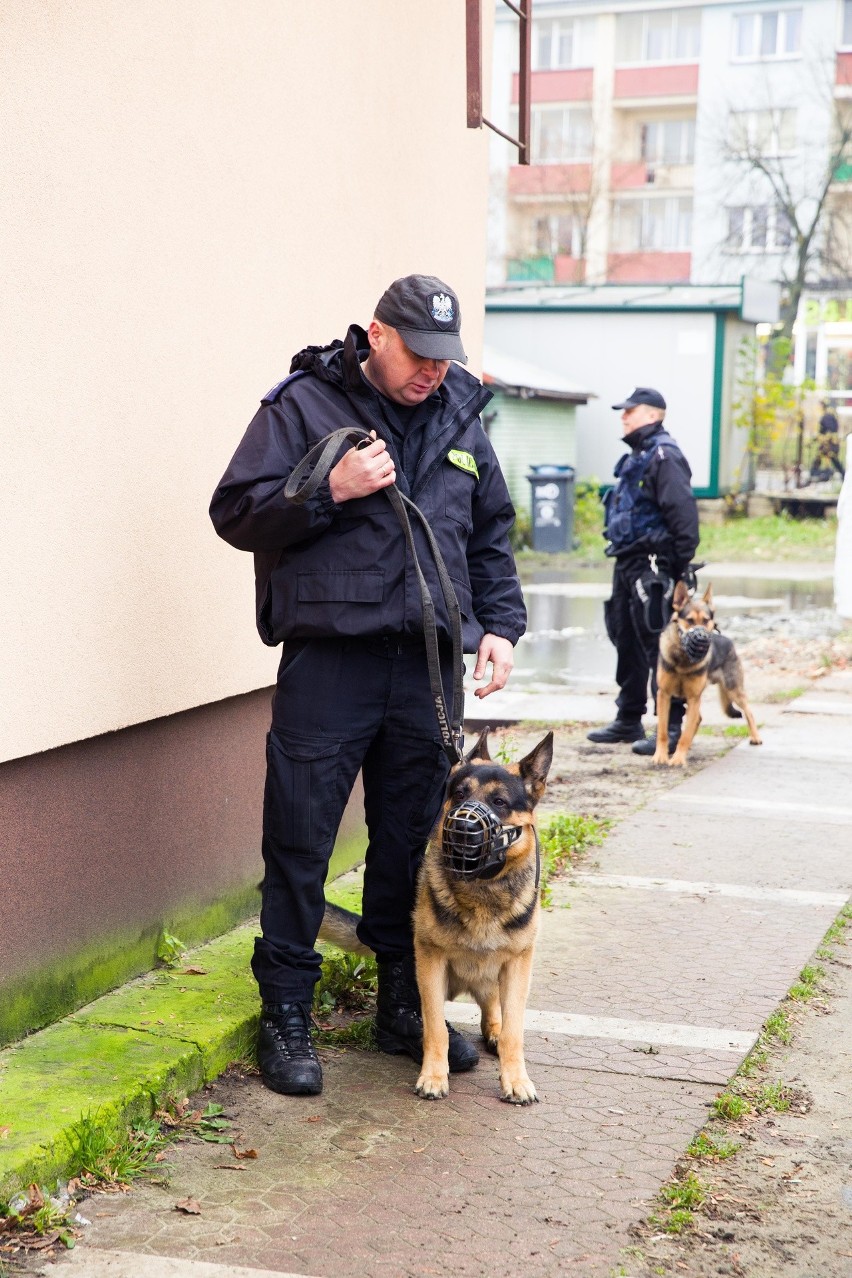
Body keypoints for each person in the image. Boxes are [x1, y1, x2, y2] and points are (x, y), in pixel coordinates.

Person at [210, 274, 526, 1096]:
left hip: (427, 666)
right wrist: (329, 490)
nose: (432, 371)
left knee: (410, 840)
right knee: (300, 838)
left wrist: (500, 626)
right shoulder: (305, 403)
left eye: (444, 356)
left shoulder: (460, 408)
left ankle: (400, 1002)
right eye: (419, 354)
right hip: (333, 659)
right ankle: (285, 1010)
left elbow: (488, 530)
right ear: (378, 335)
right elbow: (235, 511)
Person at [586, 386, 699, 757]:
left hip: (654, 565)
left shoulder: (664, 456)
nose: (623, 416)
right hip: (628, 561)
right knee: (626, 638)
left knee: (659, 645)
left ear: (652, 415)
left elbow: (684, 521)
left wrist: (677, 571)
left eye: (630, 411)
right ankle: (628, 717)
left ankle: (670, 726)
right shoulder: (639, 456)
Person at [810, 402, 845, 482]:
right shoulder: (828, 415)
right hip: (828, 443)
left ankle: (817, 473)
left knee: (831, 458)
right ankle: (815, 473)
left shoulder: (827, 416)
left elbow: (830, 430)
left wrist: (824, 440)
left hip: (829, 444)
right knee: (825, 458)